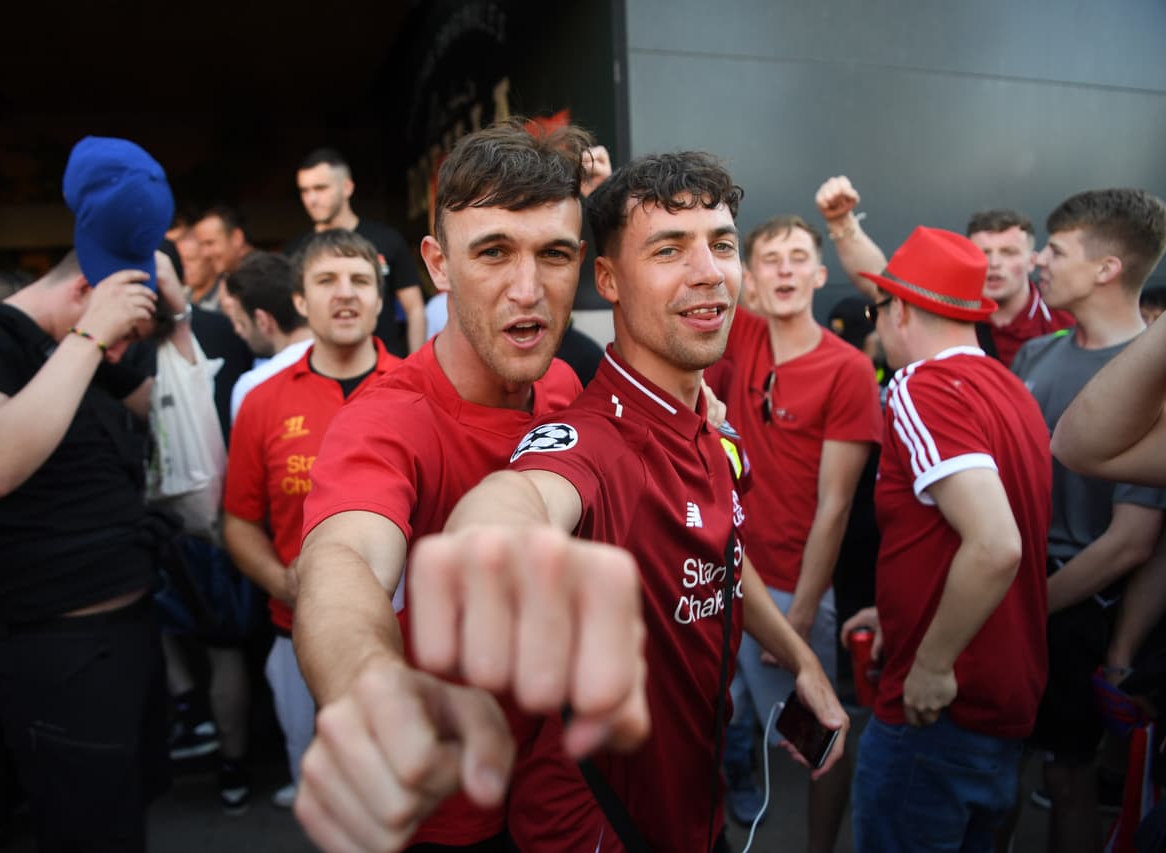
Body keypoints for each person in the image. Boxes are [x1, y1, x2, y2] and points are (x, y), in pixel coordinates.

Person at [411, 150, 848, 852]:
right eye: (669, 249)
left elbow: (722, 560)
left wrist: (802, 660)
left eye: (722, 244)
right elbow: (527, 494)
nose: (707, 271)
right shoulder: (591, 442)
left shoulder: (712, 425)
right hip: (597, 828)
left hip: (691, 811)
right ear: (608, 279)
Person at [289, 120, 645, 853]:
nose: (527, 289)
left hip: (564, 786)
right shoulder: (386, 420)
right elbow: (342, 560)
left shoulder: (562, 385)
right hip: (450, 810)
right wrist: (375, 688)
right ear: (438, 264)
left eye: (551, 255)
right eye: (492, 253)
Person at [0, 136, 173, 852]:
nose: (123, 347)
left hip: (126, 638)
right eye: (124, 330)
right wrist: (92, 337)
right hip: (54, 651)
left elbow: (173, 418)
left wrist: (174, 320)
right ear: (84, 291)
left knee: (125, 820)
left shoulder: (86, 355)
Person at [839, 226, 1053, 852]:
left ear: (900, 309)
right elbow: (959, 538)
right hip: (1002, 701)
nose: (876, 326)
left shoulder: (919, 388)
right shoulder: (1009, 388)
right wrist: (905, 609)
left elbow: (994, 545)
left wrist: (931, 664)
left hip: (939, 708)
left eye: (878, 309)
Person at [704, 214, 881, 848]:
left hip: (791, 587)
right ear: (750, 280)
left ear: (820, 272)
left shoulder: (848, 370)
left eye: (798, 257)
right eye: (770, 259)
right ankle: (738, 794)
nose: (785, 269)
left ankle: (817, 846)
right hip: (725, 575)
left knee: (821, 743)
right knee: (725, 718)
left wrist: (801, 617)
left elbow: (835, 506)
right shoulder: (741, 336)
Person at [222, 229, 403, 809]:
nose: (344, 295)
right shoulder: (262, 400)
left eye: (360, 282)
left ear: (380, 298)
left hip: (409, 637)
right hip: (295, 632)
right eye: (326, 281)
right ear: (299, 301)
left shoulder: (423, 392)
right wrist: (283, 583)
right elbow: (239, 522)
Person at [1009, 188, 1166, 853]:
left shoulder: (1147, 381)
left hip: (1074, 605)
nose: (1039, 261)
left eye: (1056, 249)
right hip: (1011, 583)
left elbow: (1130, 542)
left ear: (1106, 268)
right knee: (994, 768)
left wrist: (1026, 603)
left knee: (1068, 779)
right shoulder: (1036, 356)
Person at [815, 176, 1073, 367]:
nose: (994, 263)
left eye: (1008, 252)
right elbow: (882, 282)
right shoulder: (943, 307)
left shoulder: (1066, 319)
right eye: (983, 253)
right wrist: (841, 223)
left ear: (1032, 261)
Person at [285, 147, 427, 355]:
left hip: (387, 367)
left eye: (320, 188)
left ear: (347, 188)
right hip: (321, 371)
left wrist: (416, 368)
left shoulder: (386, 239)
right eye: (304, 191)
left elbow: (414, 309)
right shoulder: (295, 251)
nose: (311, 199)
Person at [219, 251, 314, 422]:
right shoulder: (344, 363)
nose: (238, 331)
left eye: (242, 323)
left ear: (263, 321)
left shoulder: (253, 387)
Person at [193, 204, 255, 310]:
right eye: (201, 245)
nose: (204, 254)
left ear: (237, 238)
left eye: (210, 243)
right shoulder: (228, 276)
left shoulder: (263, 275)